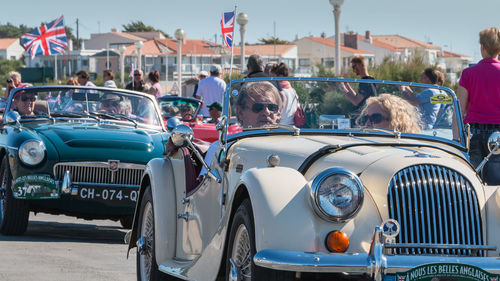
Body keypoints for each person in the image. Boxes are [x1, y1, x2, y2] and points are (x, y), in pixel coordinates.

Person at [457, 27, 500, 184]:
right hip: (498, 136)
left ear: (482, 47)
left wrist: (457, 139)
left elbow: (459, 109)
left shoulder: (468, 73)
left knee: (473, 182)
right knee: (497, 186)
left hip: (473, 134)